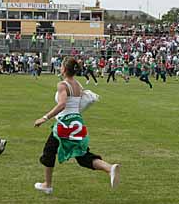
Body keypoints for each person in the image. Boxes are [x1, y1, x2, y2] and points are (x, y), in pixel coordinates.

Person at [33, 57, 121, 194]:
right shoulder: (78, 85)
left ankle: (47, 185)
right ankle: (110, 168)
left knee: (49, 151)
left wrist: (44, 118)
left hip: (64, 124)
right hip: (77, 122)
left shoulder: (62, 85)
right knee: (82, 156)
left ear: (63, 69)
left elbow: (62, 105)